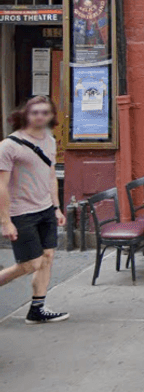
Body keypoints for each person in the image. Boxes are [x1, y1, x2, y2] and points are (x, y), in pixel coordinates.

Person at [0, 96, 69, 324]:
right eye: (35, 112)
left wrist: (57, 208)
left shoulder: (49, 140)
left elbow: (50, 177)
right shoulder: (9, 146)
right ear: (25, 114)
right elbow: (1, 186)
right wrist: (6, 221)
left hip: (46, 210)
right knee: (30, 264)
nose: (40, 116)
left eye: (45, 112)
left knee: (47, 257)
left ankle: (37, 310)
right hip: (21, 213)